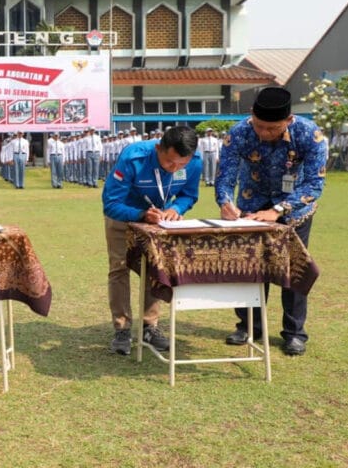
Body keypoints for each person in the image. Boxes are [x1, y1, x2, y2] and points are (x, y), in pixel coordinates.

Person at [215, 87, 327, 356]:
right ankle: (250, 326)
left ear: (288, 121)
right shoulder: (240, 132)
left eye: (271, 128)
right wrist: (225, 202)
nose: (264, 133)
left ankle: (294, 333)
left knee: (292, 270)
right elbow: (226, 174)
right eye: (259, 126)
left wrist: (278, 210)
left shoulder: (310, 135)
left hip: (294, 210)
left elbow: (314, 184)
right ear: (251, 115)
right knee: (249, 269)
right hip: (250, 207)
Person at [102, 126, 202, 355]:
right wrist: (140, 215)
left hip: (158, 223)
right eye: (169, 162)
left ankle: (150, 326)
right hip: (124, 216)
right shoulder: (133, 157)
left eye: (181, 165)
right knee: (119, 269)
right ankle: (122, 329)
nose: (174, 168)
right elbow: (110, 203)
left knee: (154, 269)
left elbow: (189, 194)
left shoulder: (195, 161)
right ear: (158, 148)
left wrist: (176, 208)